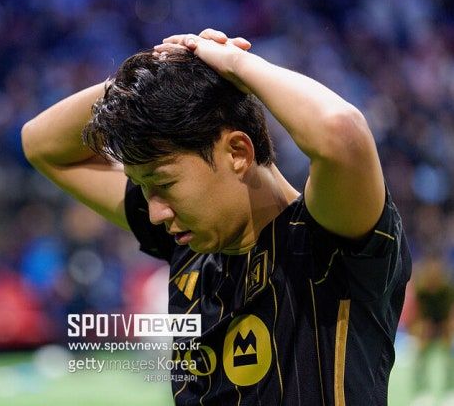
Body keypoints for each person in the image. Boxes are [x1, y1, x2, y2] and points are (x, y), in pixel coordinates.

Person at [22, 28, 411, 405]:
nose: (154, 212)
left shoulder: (328, 238)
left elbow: (341, 131)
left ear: (238, 152)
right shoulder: (189, 243)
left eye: (163, 183)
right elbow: (40, 144)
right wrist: (158, 77)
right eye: (142, 187)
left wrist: (238, 65)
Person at [412, 256, 454, 398]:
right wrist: (421, 330)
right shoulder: (421, 292)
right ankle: (421, 390)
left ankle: (450, 389)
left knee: (450, 357)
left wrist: (448, 331)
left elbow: (450, 316)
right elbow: (417, 316)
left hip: (444, 327)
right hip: (427, 328)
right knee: (420, 358)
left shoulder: (448, 291)